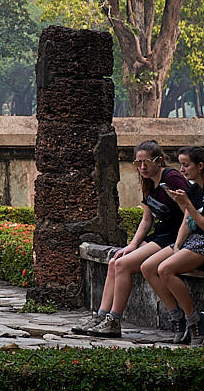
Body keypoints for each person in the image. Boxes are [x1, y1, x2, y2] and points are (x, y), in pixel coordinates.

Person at [75, 141, 193, 338]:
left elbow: (189, 210)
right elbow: (146, 220)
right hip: (159, 234)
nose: (143, 168)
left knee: (122, 265)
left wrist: (179, 244)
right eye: (138, 163)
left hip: (173, 236)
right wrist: (132, 245)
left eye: (146, 162)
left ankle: (114, 321)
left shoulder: (171, 178)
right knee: (115, 261)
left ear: (159, 161)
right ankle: (101, 316)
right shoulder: (148, 182)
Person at [142, 146, 204, 344]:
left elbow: (200, 222)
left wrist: (187, 204)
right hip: (192, 239)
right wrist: (177, 245)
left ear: (200, 166)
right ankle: (176, 316)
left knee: (166, 269)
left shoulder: (193, 193)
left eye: (186, 165)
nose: (182, 170)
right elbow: (187, 221)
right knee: (148, 267)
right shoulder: (194, 189)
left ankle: (193, 320)